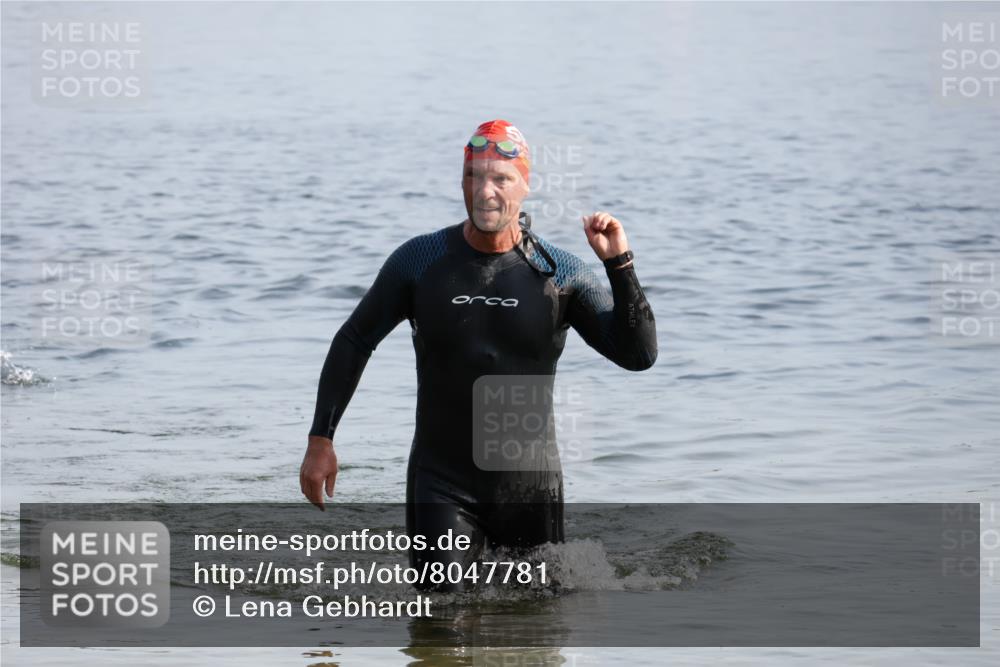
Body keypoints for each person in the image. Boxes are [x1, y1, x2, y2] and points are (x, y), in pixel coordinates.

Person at [300, 119, 657, 591]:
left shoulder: (561, 273)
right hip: (441, 481)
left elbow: (638, 355)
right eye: (475, 176)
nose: (486, 191)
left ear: (526, 186)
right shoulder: (420, 262)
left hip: (531, 488)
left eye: (501, 178)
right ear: (462, 181)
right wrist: (320, 439)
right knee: (439, 625)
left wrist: (619, 264)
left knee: (535, 636)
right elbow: (354, 339)